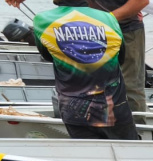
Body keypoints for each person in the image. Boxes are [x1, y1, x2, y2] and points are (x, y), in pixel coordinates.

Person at [5, 0, 148, 121]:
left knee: (129, 86)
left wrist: (106, 20)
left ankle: (138, 131)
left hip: (125, 29)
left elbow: (141, 1)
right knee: (84, 85)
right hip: (84, 30)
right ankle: (92, 131)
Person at [30, 0, 138, 139]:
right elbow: (121, 58)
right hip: (113, 108)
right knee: (127, 155)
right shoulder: (108, 18)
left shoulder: (42, 20)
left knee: (88, 157)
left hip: (73, 110)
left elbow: (48, 55)